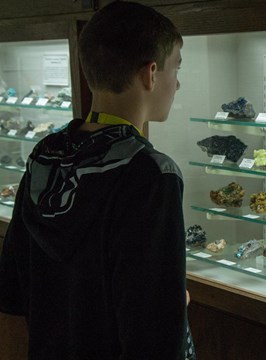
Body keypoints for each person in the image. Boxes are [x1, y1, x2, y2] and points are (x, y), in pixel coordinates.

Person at [0, 2, 195, 359]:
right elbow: (154, 338)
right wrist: (172, 303)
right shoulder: (152, 174)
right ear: (151, 74)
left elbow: (11, 293)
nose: (177, 82)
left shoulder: (44, 156)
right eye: (175, 68)